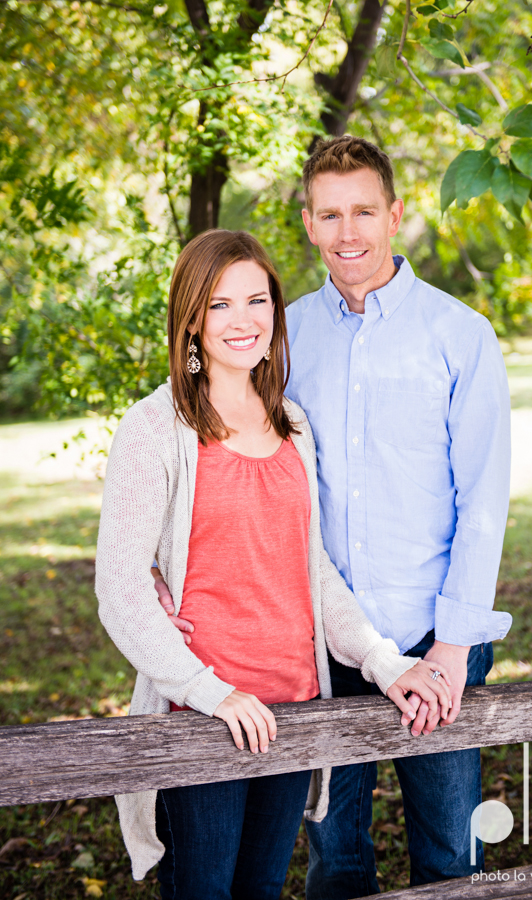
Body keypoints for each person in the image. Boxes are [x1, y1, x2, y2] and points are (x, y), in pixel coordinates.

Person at [157, 137, 513, 897]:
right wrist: (160, 569)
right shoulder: (277, 335)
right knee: (335, 862)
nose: (347, 232)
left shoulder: (459, 336)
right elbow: (207, 450)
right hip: (321, 650)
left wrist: (450, 649)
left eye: (363, 211)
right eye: (330, 214)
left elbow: (482, 505)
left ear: (395, 215)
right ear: (309, 223)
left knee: (449, 857)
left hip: (432, 640)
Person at [95, 228, 454, 900]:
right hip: (204, 710)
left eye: (256, 300)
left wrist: (381, 659)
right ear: (191, 319)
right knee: (202, 889)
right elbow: (119, 588)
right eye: (220, 304)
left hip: (291, 704)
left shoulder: (291, 422)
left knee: (262, 888)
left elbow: (309, 568)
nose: (242, 320)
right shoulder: (155, 428)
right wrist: (210, 692)